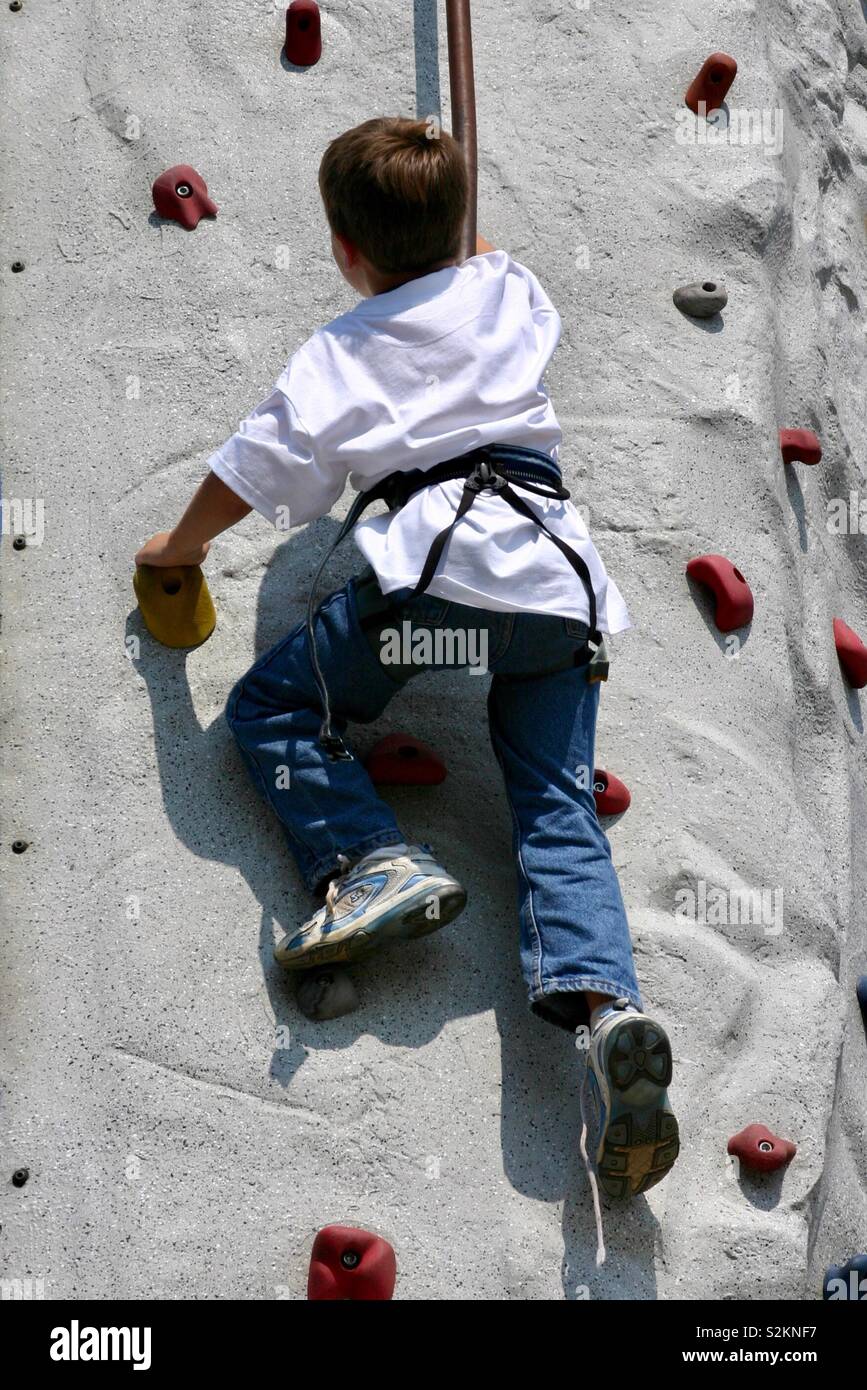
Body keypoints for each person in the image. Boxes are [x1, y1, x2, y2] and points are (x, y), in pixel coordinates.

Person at [135, 117, 679, 1250]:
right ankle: (605, 1014)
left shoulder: (341, 351)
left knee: (280, 708)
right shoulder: (510, 290)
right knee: (556, 807)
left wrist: (173, 550)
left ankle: (365, 857)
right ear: (462, 231)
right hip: (555, 590)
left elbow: (257, 463)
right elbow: (492, 272)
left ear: (342, 249)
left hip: (441, 582)